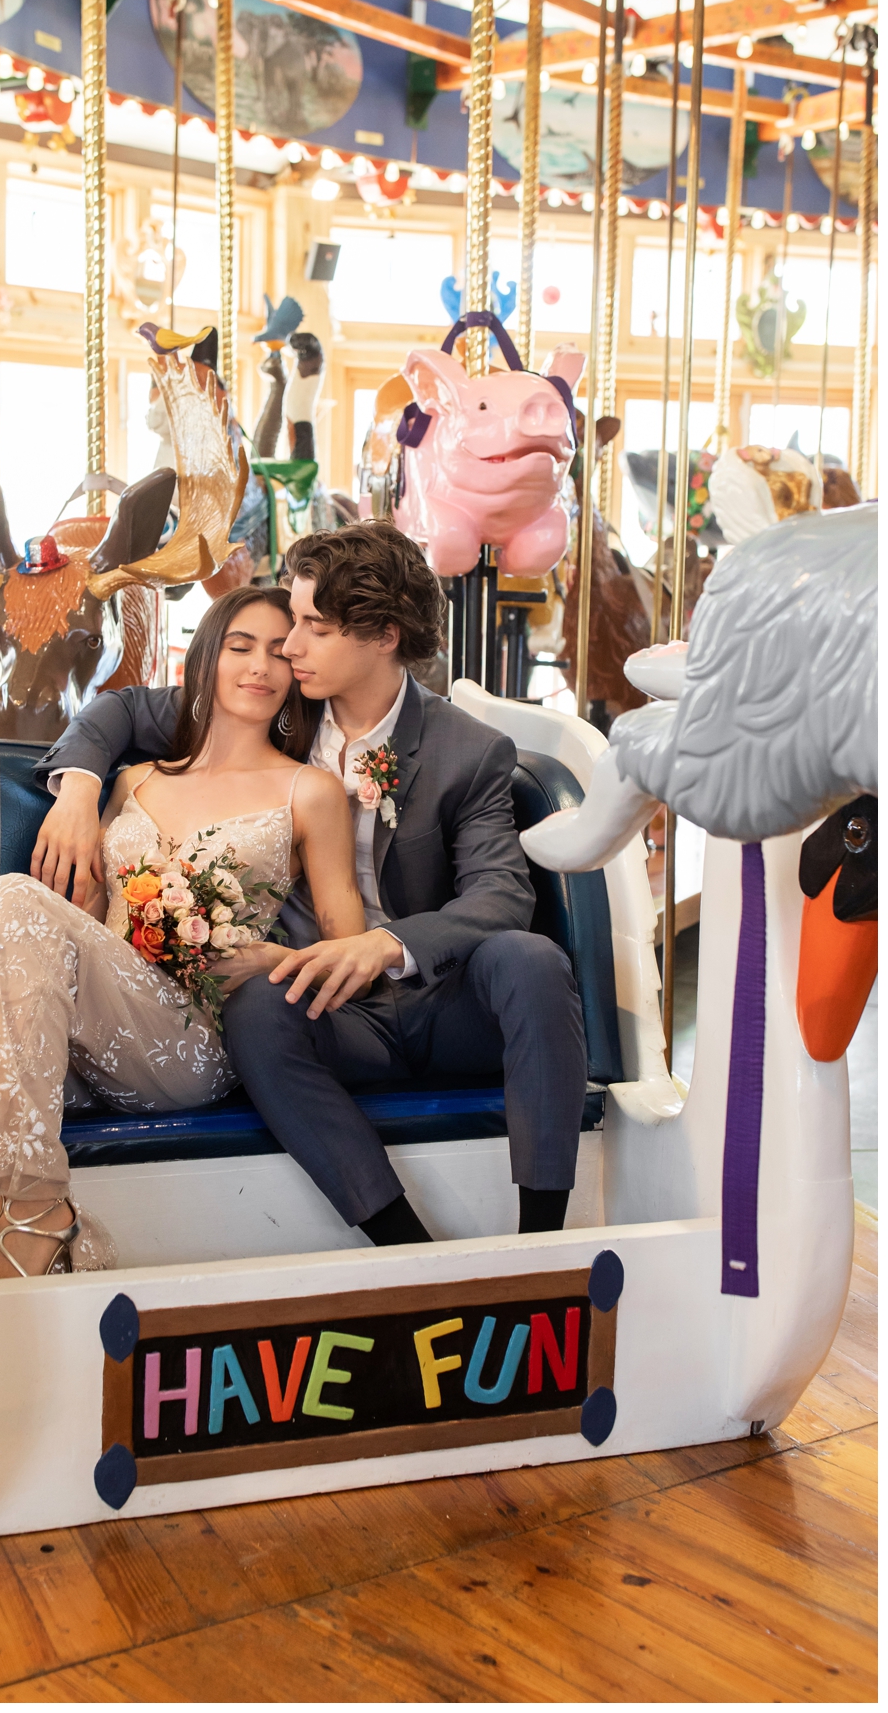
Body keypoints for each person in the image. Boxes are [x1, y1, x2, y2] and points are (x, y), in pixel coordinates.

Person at [33, 523, 586, 1256]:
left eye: (313, 628)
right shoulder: (274, 704)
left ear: (383, 636)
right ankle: (405, 1249)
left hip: (440, 997)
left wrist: (382, 944)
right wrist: (76, 790)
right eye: (292, 622)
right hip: (326, 1008)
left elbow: (500, 896)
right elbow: (124, 713)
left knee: (532, 958)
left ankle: (542, 1248)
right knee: (259, 1008)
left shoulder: (468, 750)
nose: (288, 646)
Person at [0, 585, 363, 1275]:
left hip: (199, 1038)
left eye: (278, 654)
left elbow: (344, 941)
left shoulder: (310, 791)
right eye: (240, 647)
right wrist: (80, 792)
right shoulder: (133, 780)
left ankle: (35, 1209)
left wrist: (273, 956)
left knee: (14, 896)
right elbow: (87, 923)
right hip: (98, 1026)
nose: (259, 668)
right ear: (206, 658)